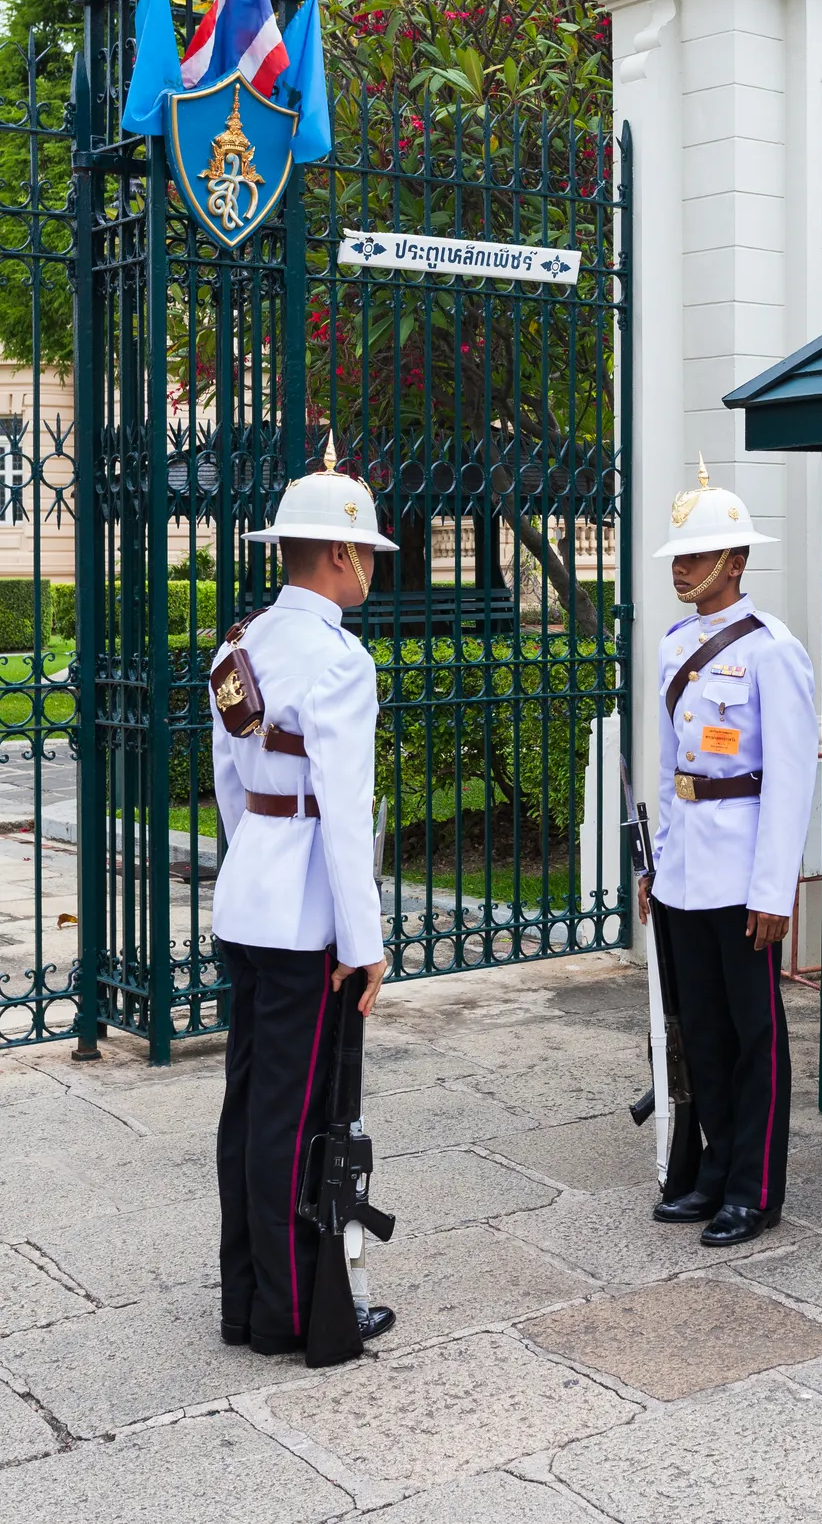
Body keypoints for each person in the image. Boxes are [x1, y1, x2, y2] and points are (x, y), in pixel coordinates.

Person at [209, 434, 396, 1355]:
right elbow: (348, 815)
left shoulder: (241, 641)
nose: (371, 570)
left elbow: (232, 785)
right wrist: (364, 943)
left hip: (249, 897)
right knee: (292, 1116)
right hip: (305, 917)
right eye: (367, 553)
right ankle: (292, 1313)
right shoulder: (339, 660)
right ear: (338, 553)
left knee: (249, 1106)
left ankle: (245, 1298)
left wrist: (257, 860)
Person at [639, 458, 818, 1247]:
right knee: (701, 1031)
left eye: (697, 554)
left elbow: (788, 778)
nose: (682, 567)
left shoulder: (774, 650)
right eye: (678, 554)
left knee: (754, 1035)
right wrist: (654, 864)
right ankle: (711, 1169)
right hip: (685, 870)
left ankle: (754, 1185)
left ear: (736, 561)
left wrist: (773, 889)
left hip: (744, 871)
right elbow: (672, 769)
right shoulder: (675, 643)